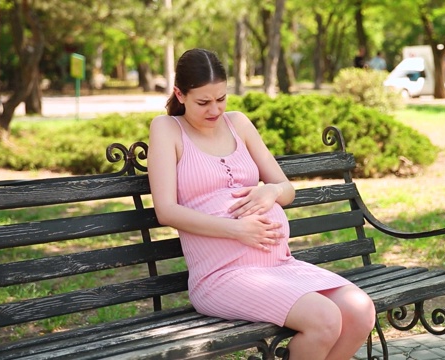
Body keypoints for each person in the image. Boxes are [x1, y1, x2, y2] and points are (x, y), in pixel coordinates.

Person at [148, 48, 376, 360]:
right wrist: (236, 230)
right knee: (325, 319)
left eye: (221, 98)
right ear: (180, 94)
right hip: (221, 276)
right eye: (203, 102)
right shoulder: (167, 129)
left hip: (278, 265)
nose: (215, 109)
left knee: (360, 310)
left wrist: (269, 192)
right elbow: (166, 211)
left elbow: (286, 188)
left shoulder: (238, 123)